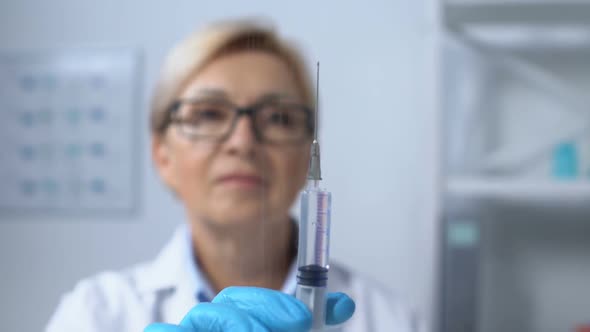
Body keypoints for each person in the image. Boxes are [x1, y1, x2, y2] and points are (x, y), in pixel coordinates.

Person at [45, 18, 421, 332]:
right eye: (208, 113)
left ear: (307, 152)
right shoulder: (95, 313)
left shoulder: (389, 319)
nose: (243, 143)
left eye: (278, 118)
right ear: (163, 155)